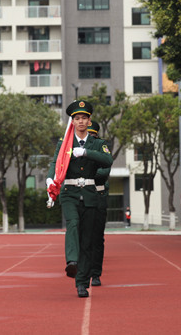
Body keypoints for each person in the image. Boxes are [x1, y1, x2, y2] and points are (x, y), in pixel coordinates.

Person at [46, 100, 113, 298]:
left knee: (88, 241)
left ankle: (81, 283)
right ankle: (72, 262)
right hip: (70, 192)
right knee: (73, 223)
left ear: (89, 120)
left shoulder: (98, 144)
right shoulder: (64, 143)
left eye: (84, 118)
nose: (81, 121)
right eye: (77, 118)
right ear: (72, 122)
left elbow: (108, 161)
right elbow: (56, 162)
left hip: (91, 194)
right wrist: (51, 179)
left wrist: (86, 152)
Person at [87, 121, 111, 287]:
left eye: (92, 134)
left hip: (98, 194)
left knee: (97, 239)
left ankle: (95, 274)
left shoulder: (101, 148)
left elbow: (104, 171)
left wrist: (88, 173)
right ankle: (84, 271)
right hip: (82, 195)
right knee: (82, 238)